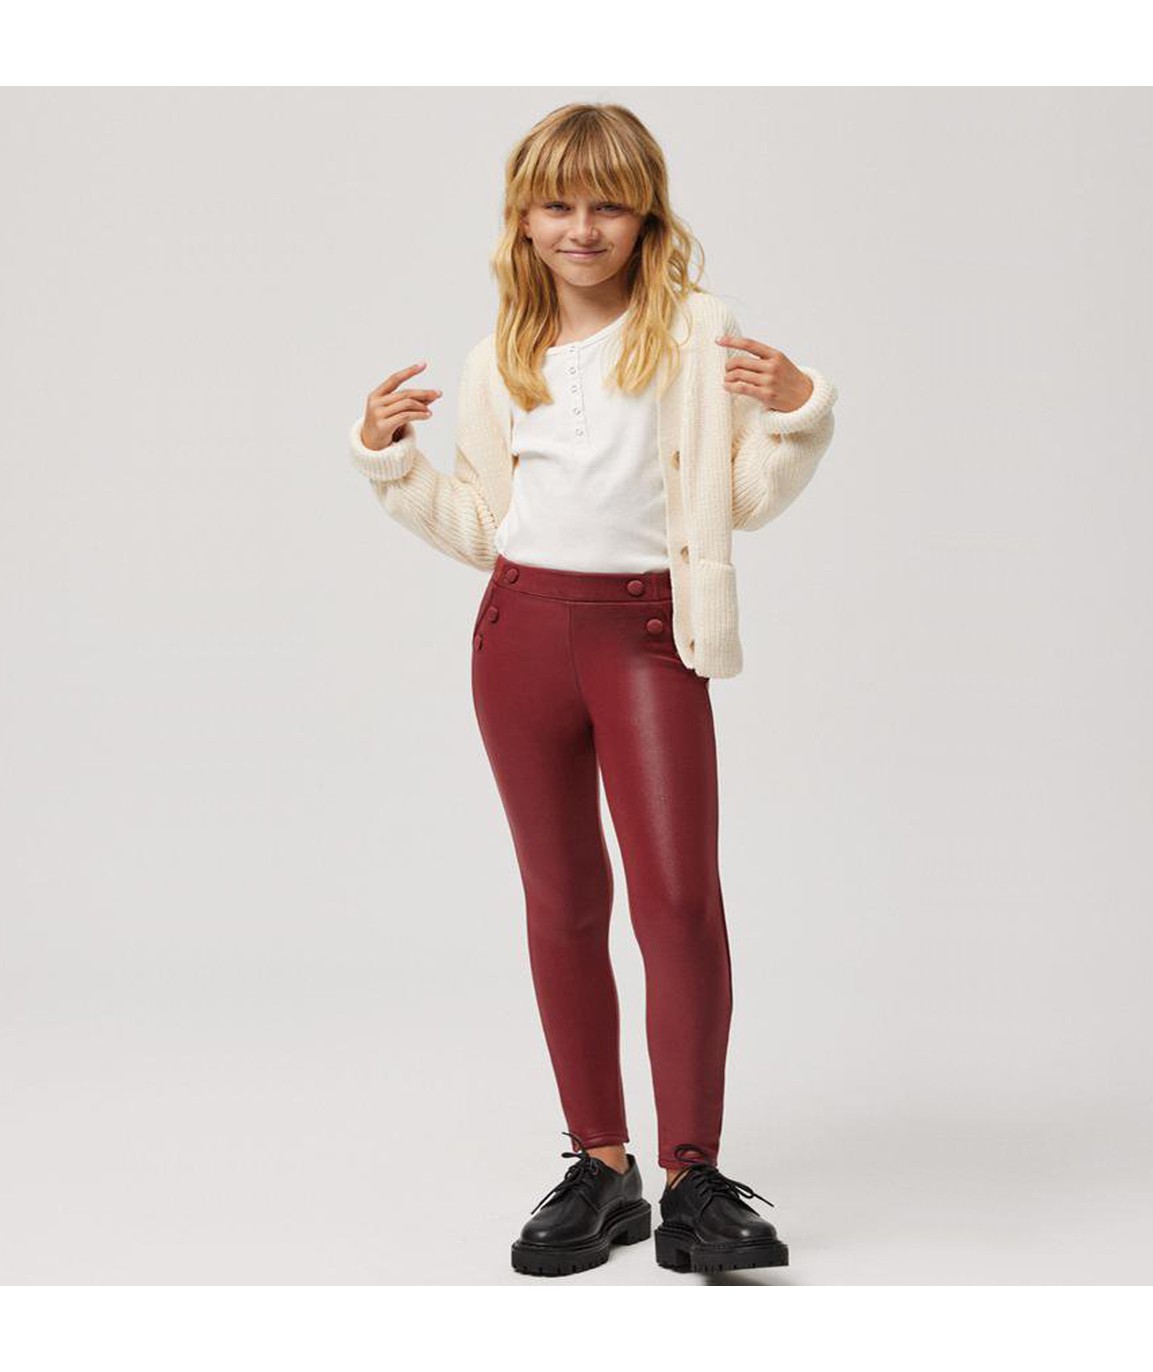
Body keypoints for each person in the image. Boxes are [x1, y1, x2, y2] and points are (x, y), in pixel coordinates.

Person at [347, 102, 838, 1278]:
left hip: (647, 635)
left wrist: (797, 411)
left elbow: (740, 500)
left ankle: (693, 1177)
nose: (582, 227)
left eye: (609, 203)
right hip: (519, 635)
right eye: (557, 204)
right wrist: (388, 457)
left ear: (647, 214)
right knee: (563, 900)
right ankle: (602, 1165)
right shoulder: (499, 361)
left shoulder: (698, 336)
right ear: (522, 219)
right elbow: (484, 524)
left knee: (677, 901)